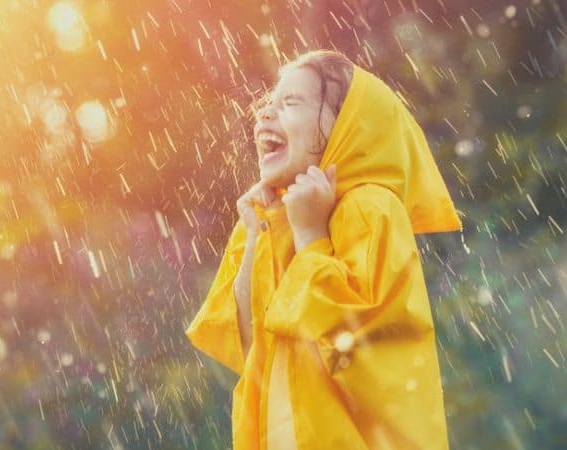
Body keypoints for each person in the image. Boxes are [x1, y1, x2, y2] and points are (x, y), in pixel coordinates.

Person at [185, 49, 462, 449]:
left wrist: (312, 236)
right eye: (268, 103)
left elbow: (358, 349)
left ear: (348, 128)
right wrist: (257, 231)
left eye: (291, 102)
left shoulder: (369, 207)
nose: (263, 114)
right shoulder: (279, 217)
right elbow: (250, 343)